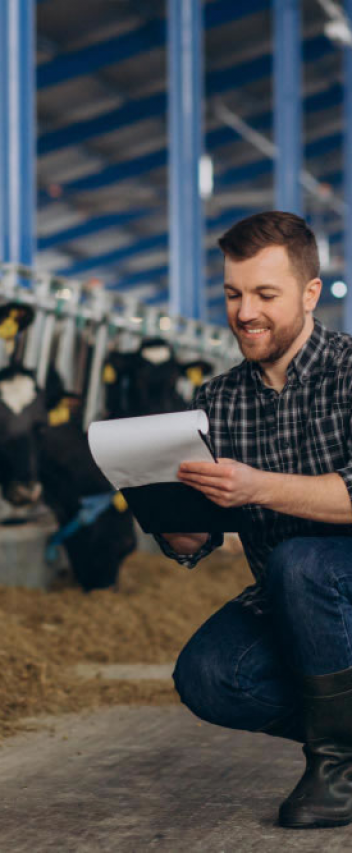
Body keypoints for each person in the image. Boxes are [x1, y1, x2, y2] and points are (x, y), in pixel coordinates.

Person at [157, 211, 352, 830]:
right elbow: (203, 535)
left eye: (265, 294)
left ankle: (336, 767)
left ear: (309, 293)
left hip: (334, 583)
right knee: (209, 675)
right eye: (234, 294)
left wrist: (258, 488)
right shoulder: (217, 401)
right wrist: (177, 528)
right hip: (290, 601)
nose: (245, 312)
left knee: (303, 561)